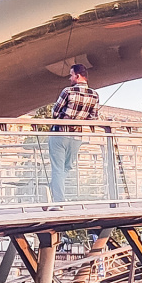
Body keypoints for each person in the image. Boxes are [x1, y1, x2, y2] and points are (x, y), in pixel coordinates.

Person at [48, 63, 99, 201]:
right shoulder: (94, 95)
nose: (70, 78)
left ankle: (58, 201)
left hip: (59, 134)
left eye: (71, 75)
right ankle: (54, 189)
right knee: (67, 167)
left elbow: (54, 112)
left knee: (58, 168)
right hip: (77, 136)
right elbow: (93, 118)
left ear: (77, 76)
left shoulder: (68, 91)